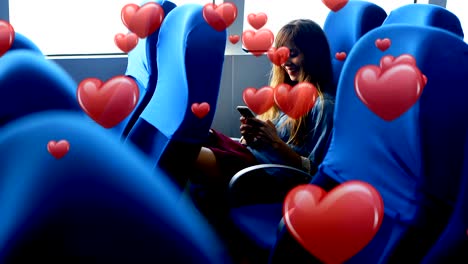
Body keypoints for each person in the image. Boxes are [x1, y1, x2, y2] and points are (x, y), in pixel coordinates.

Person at [192, 19, 335, 186]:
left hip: (266, 173)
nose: (285, 62)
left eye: (293, 54)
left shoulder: (323, 106)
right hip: (249, 155)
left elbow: (314, 172)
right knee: (194, 135)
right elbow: (261, 144)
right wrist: (252, 136)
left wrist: (275, 143)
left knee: (184, 154)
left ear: (313, 56)